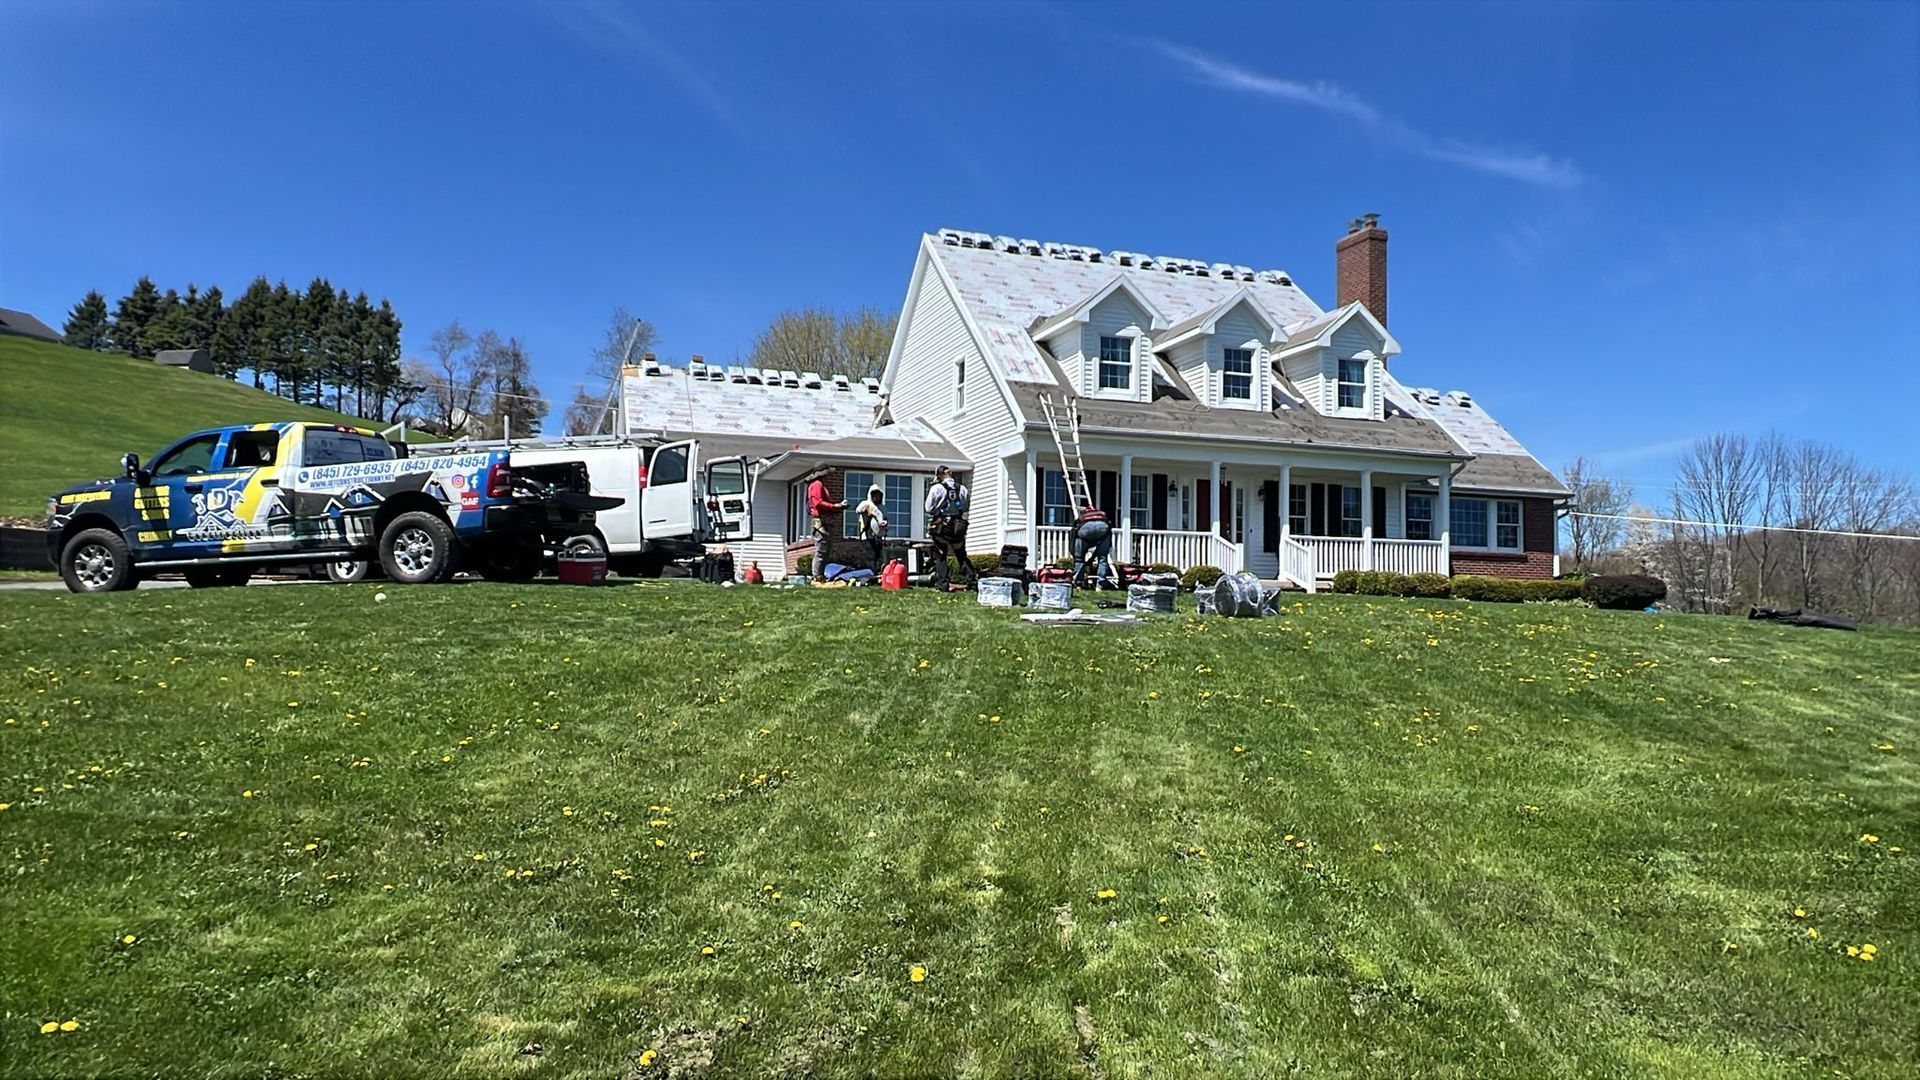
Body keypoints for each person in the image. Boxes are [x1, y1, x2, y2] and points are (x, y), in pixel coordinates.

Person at [924, 465, 978, 591]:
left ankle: (943, 584)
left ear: (939, 476)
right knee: (961, 554)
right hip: (958, 526)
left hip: (942, 526)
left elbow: (928, 508)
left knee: (941, 554)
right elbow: (965, 507)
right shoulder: (962, 489)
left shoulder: (937, 488)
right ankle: (972, 582)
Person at [805, 473, 847, 580]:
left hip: (823, 520)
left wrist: (838, 508)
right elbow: (818, 503)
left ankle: (820, 575)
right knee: (821, 549)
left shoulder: (817, 485)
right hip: (820, 521)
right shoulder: (817, 484)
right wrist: (834, 506)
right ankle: (817, 576)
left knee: (825, 549)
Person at [1070, 504, 1114, 589]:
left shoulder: (1082, 517)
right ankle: (1100, 584)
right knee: (1102, 559)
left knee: (1079, 559)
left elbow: (1074, 533)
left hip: (1085, 529)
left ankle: (1078, 583)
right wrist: (1093, 557)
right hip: (1103, 527)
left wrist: (1076, 553)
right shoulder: (1102, 515)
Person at [854, 484, 889, 569]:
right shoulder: (865, 504)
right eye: (874, 494)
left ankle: (874, 573)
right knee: (870, 556)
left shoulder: (882, 508)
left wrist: (885, 525)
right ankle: (869, 575)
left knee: (877, 557)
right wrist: (865, 509)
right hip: (867, 536)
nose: (876, 496)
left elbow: (885, 520)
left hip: (879, 538)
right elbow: (858, 510)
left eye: (878, 494)